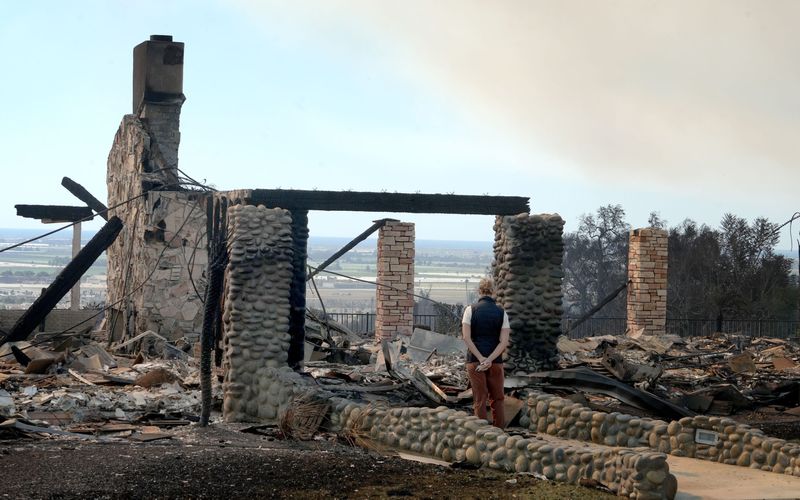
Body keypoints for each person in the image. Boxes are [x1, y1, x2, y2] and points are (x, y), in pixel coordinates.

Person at [462, 277, 510, 428]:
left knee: (480, 398)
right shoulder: (502, 313)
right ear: (493, 292)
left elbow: (466, 337)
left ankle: (481, 432)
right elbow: (503, 342)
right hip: (495, 363)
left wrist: (481, 358)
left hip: (475, 362)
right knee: (498, 398)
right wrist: (489, 359)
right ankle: (500, 431)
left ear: (479, 291)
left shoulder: (470, 310)